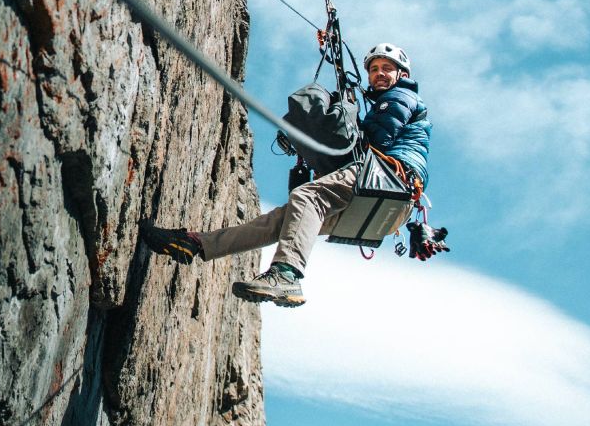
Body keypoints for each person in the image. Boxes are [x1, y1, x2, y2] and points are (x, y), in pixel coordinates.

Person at [139, 43, 431, 307]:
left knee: (308, 196)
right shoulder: (384, 102)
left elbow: (378, 138)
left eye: (387, 69)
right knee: (288, 217)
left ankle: (286, 274)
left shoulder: (400, 97)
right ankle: (199, 243)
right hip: (382, 200)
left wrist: (341, 115)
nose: (379, 74)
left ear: (402, 74)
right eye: (375, 69)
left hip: (390, 178)